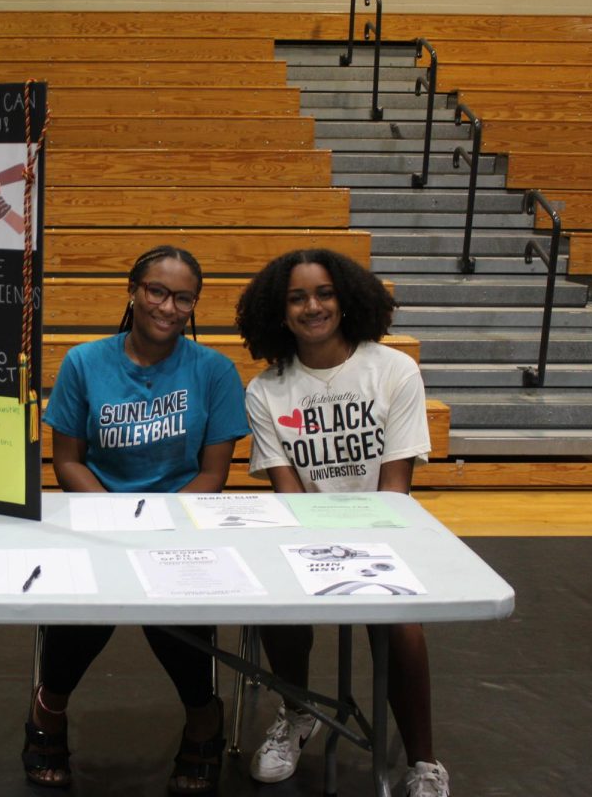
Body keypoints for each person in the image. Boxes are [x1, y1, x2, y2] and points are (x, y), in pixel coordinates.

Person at [24, 245, 251, 794]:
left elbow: (212, 475)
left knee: (174, 609)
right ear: (132, 291)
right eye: (157, 291)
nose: (168, 307)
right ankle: (47, 709)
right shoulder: (84, 361)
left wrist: (161, 528)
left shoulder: (215, 371)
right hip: (97, 513)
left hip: (182, 519)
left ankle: (204, 716)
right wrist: (116, 518)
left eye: (183, 298)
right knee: (87, 608)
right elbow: (68, 461)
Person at [234, 248, 450, 797]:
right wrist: (318, 557)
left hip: (384, 531)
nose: (312, 306)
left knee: (398, 623)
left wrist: (362, 561)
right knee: (279, 609)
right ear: (278, 312)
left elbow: (395, 490)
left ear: (346, 298)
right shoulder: (266, 391)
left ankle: (424, 764)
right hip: (304, 534)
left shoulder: (394, 370)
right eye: (297, 297)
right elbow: (289, 497)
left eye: (324, 293)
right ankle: (298, 711)